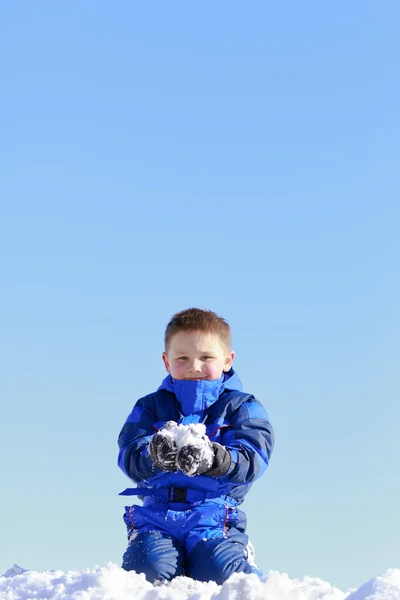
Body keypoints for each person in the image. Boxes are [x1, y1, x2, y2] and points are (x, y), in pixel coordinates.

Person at [118, 308, 274, 584]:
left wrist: (215, 458)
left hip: (213, 517)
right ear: (166, 362)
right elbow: (129, 453)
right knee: (145, 570)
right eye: (182, 358)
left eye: (206, 357)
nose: (194, 366)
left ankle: (241, 563)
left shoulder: (242, 407)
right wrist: (153, 454)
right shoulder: (150, 407)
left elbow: (255, 457)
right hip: (157, 516)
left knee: (221, 572)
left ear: (227, 360)